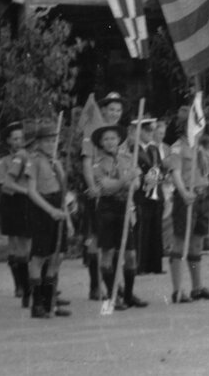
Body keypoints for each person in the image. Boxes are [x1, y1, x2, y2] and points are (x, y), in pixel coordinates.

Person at [166, 116, 209, 304]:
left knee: (197, 242)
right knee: (180, 241)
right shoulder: (177, 147)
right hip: (187, 198)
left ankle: (197, 287)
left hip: (202, 195)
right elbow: (175, 173)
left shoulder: (198, 147)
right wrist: (183, 193)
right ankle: (177, 290)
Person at [91, 123, 147, 309]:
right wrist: (125, 180)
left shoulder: (127, 158)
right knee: (107, 253)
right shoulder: (98, 163)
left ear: (118, 140)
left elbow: (137, 183)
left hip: (124, 206)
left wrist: (132, 181)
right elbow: (105, 187)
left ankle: (129, 295)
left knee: (130, 255)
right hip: (107, 209)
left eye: (113, 138)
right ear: (101, 142)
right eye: (105, 139)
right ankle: (111, 297)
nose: (109, 142)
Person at [80, 92, 125, 300]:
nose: (115, 113)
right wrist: (92, 187)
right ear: (103, 110)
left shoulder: (121, 134)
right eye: (111, 109)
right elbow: (87, 162)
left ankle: (115, 284)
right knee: (96, 239)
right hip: (98, 190)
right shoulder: (93, 131)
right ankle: (95, 286)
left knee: (116, 240)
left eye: (118, 110)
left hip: (118, 192)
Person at [26, 122, 72, 318]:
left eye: (53, 141)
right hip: (42, 208)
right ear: (38, 143)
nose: (51, 144)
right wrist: (50, 210)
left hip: (58, 208)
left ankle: (49, 302)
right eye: (46, 141)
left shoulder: (57, 162)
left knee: (57, 257)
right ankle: (37, 304)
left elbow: (63, 194)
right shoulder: (34, 161)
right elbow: (31, 191)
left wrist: (68, 220)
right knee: (39, 257)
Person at [0, 121, 34, 308]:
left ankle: (28, 284)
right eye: (14, 139)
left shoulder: (29, 157)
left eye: (21, 138)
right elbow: (4, 184)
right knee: (14, 244)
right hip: (11, 202)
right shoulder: (3, 161)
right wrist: (25, 190)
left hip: (26, 203)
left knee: (27, 244)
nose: (18, 142)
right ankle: (19, 284)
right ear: (8, 141)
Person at [132, 117, 166, 275]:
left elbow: (160, 168)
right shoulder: (133, 150)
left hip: (155, 192)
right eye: (147, 130)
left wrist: (159, 177)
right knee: (142, 229)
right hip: (141, 194)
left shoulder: (153, 149)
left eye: (152, 130)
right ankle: (140, 265)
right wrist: (143, 179)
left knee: (155, 228)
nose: (151, 133)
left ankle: (154, 265)